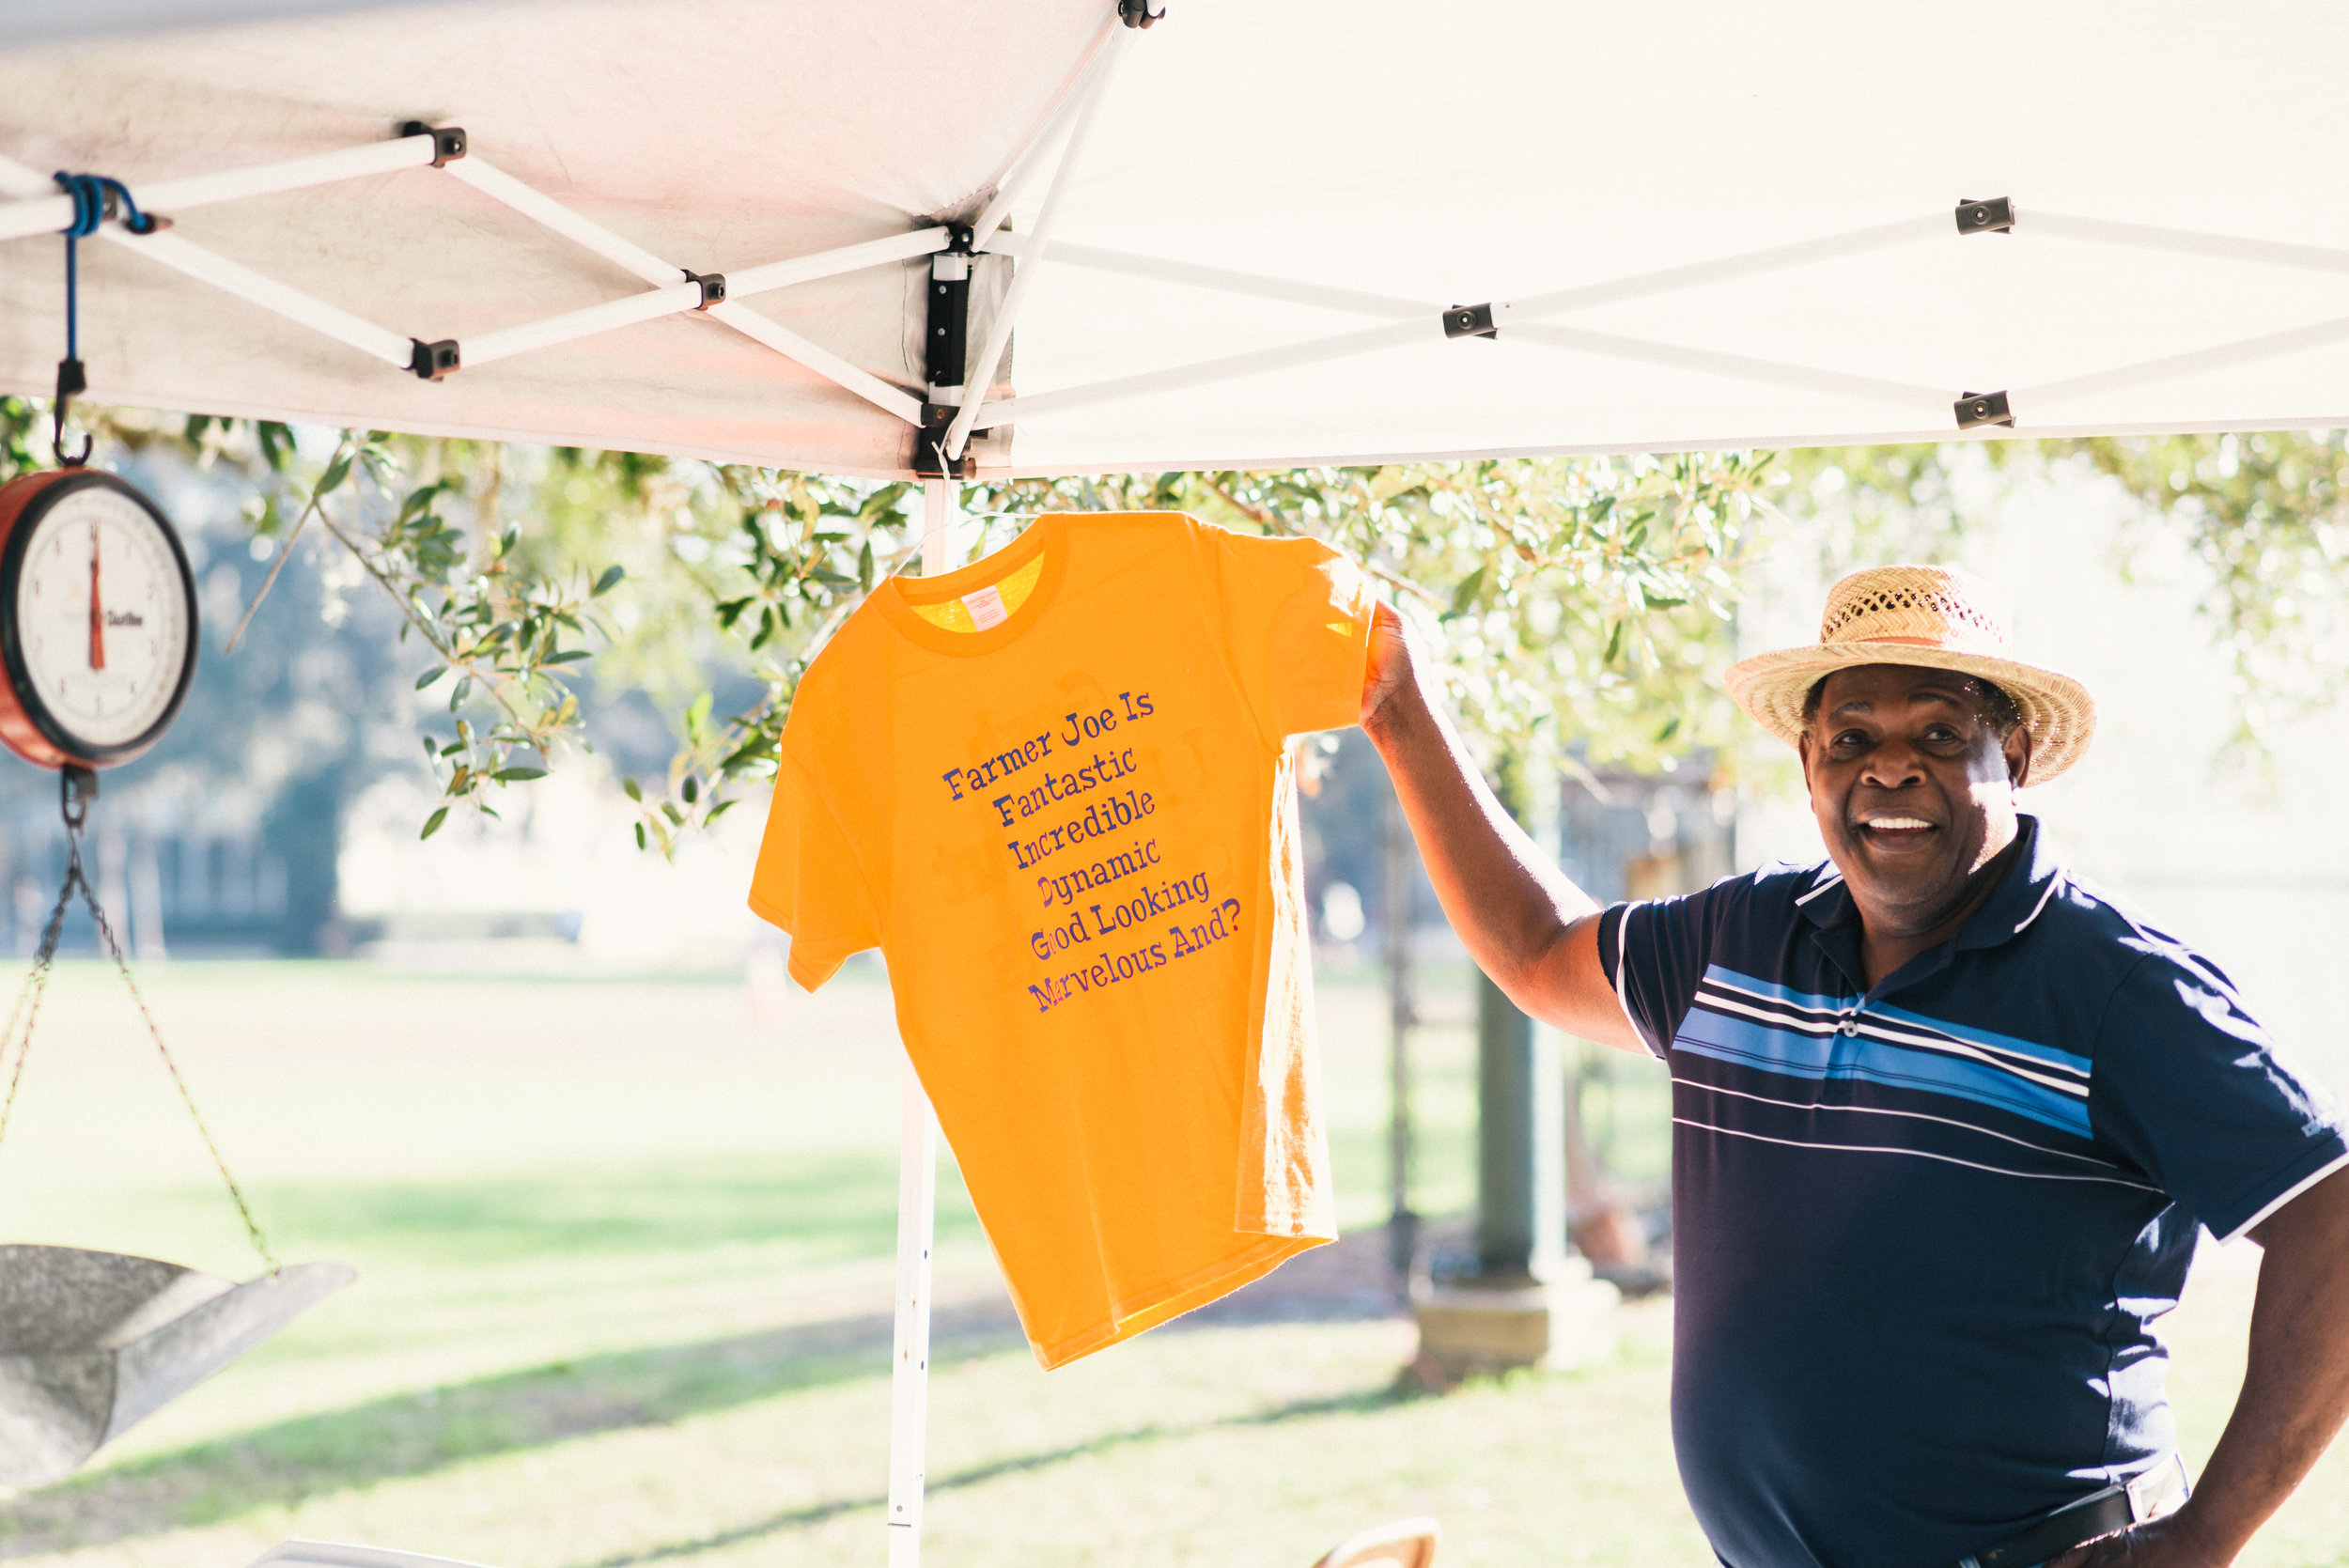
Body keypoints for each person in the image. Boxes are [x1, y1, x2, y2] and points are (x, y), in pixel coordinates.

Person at [1359, 563, 2349, 1568]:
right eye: (1853, 737)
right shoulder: (1739, 940)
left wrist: (2201, 1540)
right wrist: (1400, 711)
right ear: (1807, 761)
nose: (1890, 768)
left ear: (2011, 752)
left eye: (1938, 734)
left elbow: (2334, 1220)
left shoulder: (2114, 989)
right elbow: (1536, 950)